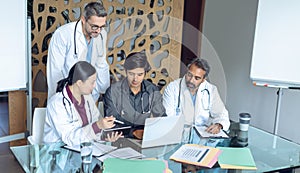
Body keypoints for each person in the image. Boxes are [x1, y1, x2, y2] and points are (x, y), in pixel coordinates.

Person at [43, 61, 122, 146]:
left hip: (84, 149)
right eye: (92, 82)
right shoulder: (57, 104)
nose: (95, 86)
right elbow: (69, 139)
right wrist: (98, 126)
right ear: (79, 83)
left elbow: (94, 127)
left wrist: (105, 135)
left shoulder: (87, 97)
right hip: (59, 151)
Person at [47, 1, 109, 102]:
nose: (98, 31)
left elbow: (101, 64)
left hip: (89, 95)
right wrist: (63, 97)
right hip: (67, 96)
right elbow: (55, 72)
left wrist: (103, 90)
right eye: (94, 26)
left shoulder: (101, 35)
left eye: (101, 27)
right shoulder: (63, 34)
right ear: (83, 20)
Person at [103, 51, 166, 139]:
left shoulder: (152, 90)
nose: (135, 79)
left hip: (145, 139)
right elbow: (110, 125)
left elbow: (162, 119)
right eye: (131, 74)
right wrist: (134, 133)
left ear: (145, 73)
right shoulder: (113, 92)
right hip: (120, 139)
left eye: (140, 74)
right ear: (125, 71)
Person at [163, 58, 230, 134]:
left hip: (203, 134)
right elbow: (168, 118)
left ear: (203, 79)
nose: (191, 80)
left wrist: (218, 125)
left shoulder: (211, 90)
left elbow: (222, 114)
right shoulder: (173, 88)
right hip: (178, 133)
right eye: (189, 75)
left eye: (197, 78)